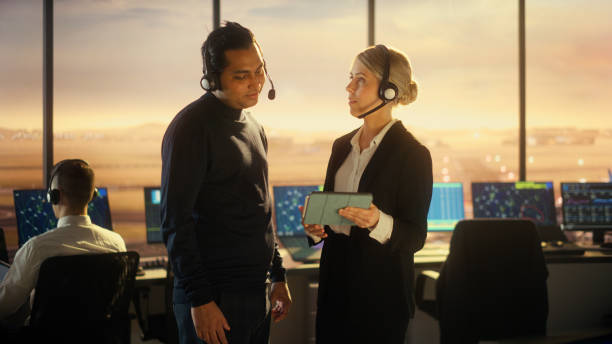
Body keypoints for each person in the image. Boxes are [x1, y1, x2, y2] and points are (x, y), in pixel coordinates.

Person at [161, 22, 291, 344]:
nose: (256, 83)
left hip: (255, 292)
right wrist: (201, 300)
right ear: (212, 78)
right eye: (241, 75)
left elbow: (260, 210)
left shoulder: (254, 128)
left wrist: (277, 275)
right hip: (213, 298)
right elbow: (175, 221)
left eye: (259, 70)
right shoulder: (191, 128)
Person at [303, 45, 433, 343]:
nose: (349, 87)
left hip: (381, 302)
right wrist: (315, 229)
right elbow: (331, 219)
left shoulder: (412, 155)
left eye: (360, 79)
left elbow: (415, 237)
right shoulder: (341, 146)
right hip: (335, 294)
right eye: (351, 77)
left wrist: (377, 221)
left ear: (389, 90)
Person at [0, 159, 126, 325]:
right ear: (92, 195)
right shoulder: (116, 244)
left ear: (54, 196)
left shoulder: (36, 248)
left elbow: (5, 306)